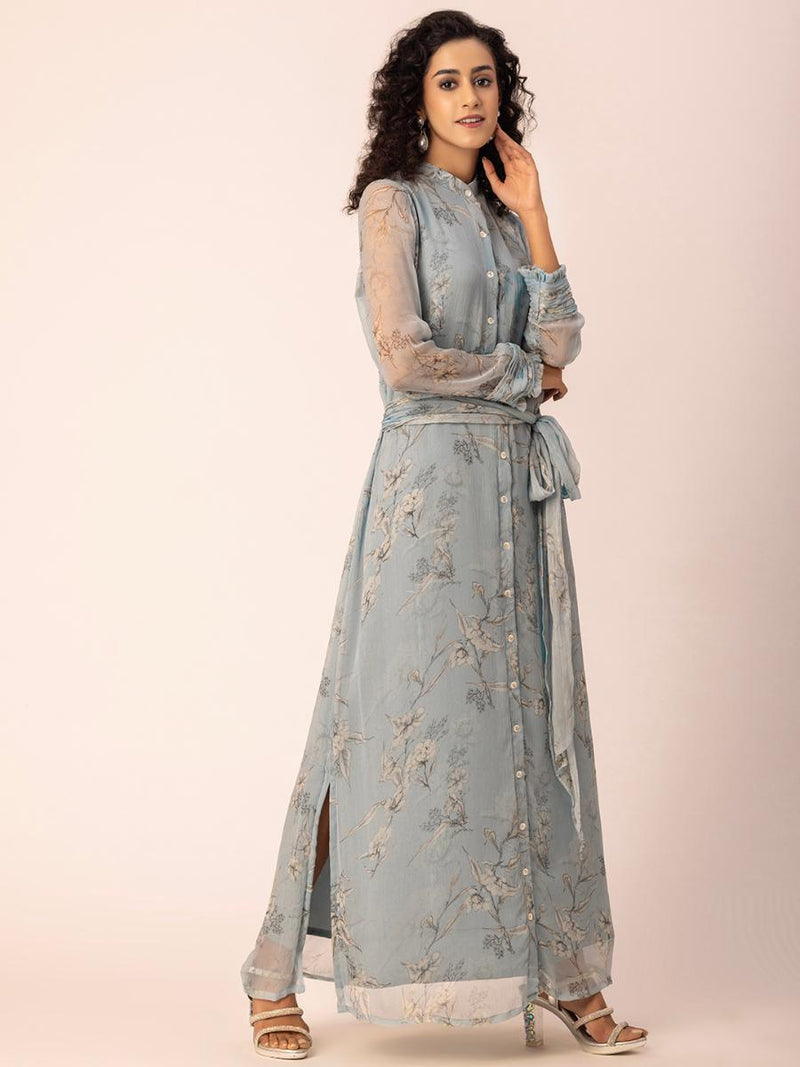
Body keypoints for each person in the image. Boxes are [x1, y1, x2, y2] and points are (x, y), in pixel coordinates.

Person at [240, 10, 649, 1059]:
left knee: (531, 723)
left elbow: (564, 340)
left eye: (484, 80)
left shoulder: (507, 217)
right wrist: (521, 375)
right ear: (415, 101)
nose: (471, 97)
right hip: (425, 499)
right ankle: (273, 973)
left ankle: (564, 973)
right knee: (373, 718)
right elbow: (404, 355)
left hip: (514, 501)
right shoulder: (394, 203)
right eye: (449, 82)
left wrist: (537, 211)